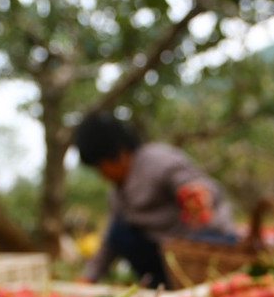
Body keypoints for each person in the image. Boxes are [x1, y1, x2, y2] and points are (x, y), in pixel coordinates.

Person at [73, 111, 237, 287]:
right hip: (165, 257)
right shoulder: (117, 194)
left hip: (204, 244)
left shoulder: (157, 160)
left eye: (101, 166)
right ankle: (161, 287)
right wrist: (88, 278)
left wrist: (197, 195)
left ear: (120, 153)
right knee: (118, 233)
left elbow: (196, 184)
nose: (102, 175)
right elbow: (110, 244)